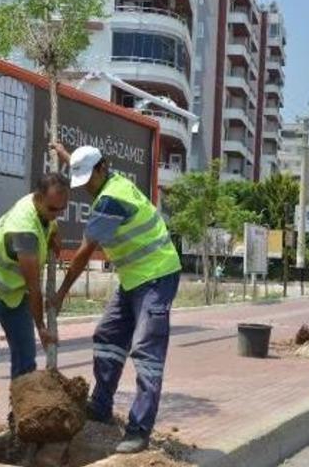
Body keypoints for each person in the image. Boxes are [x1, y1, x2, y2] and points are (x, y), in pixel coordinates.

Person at [51, 142, 181, 454]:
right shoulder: (108, 181)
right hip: (134, 277)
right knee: (107, 335)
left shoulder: (111, 199)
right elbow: (88, 168)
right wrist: (67, 156)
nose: (86, 189)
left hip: (157, 276)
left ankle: (138, 430)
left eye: (88, 180)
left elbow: (84, 253)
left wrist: (59, 294)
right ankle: (101, 406)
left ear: (103, 168)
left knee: (146, 352)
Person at [0, 173, 69, 448]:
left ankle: (22, 422)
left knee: (26, 360)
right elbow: (34, 286)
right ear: (38, 198)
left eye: (62, 210)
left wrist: (55, 232)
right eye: (53, 210)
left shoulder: (44, 213)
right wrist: (41, 327)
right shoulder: (23, 229)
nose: (57, 214)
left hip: (12, 292)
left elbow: (49, 225)